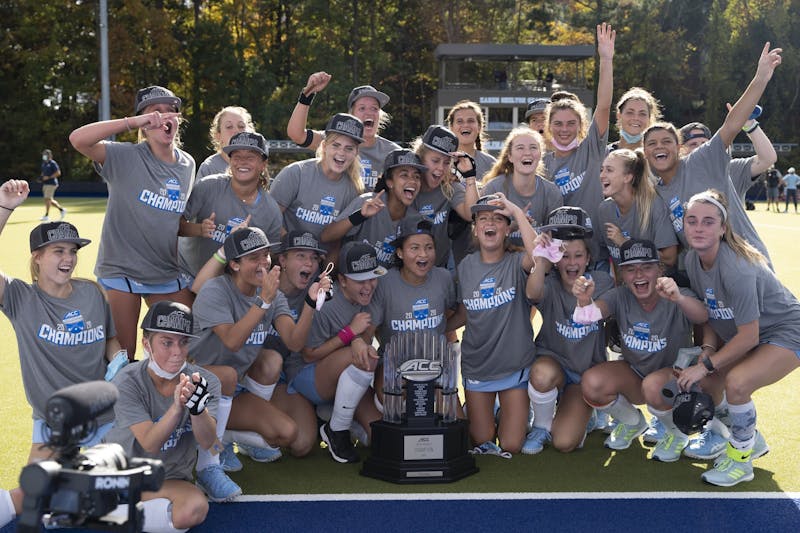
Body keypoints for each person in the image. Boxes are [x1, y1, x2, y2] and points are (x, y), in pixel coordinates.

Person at [0, 180, 125, 530]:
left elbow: (110, 340)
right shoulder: (20, 299)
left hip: (104, 418)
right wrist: (5, 208)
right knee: (30, 500)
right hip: (54, 423)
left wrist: (120, 363)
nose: (68, 259)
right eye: (58, 251)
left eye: (72, 251)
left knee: (119, 498)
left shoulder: (92, 292)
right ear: (37, 258)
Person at [189, 227, 329, 494]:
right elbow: (232, 341)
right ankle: (210, 463)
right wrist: (263, 302)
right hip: (194, 383)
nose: (263, 262)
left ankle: (225, 436)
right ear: (234, 264)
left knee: (289, 433)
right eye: (253, 257)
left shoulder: (272, 295)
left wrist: (311, 303)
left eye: (266, 255)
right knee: (227, 375)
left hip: (233, 388)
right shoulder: (215, 290)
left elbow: (294, 342)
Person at [676, 189, 800, 486]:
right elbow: (711, 312)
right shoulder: (693, 260)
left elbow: (748, 336)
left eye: (708, 222)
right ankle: (750, 439)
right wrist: (707, 351)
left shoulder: (737, 269)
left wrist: (705, 364)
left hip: (785, 330)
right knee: (705, 382)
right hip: (751, 333)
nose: (699, 228)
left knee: (737, 383)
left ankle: (741, 461)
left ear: (722, 228)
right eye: (692, 221)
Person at [69, 85, 195, 359]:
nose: (163, 118)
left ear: (179, 118)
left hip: (164, 271)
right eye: (153, 113)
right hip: (122, 270)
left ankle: (162, 394)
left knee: (187, 339)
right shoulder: (124, 156)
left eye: (169, 111)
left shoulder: (188, 164)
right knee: (122, 355)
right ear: (143, 123)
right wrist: (132, 122)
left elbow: (175, 221)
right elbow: (78, 139)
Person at [643, 43, 782, 264]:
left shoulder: (701, 160)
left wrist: (760, 78)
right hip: (707, 281)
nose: (659, 147)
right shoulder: (656, 193)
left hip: (748, 265)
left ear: (678, 148)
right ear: (645, 153)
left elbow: (731, 125)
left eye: (666, 141)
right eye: (652, 143)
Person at [578, 239, 708, 455]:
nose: (638, 275)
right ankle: (632, 422)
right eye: (630, 269)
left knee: (653, 386)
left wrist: (679, 299)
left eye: (646, 267)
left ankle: (677, 433)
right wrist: (583, 300)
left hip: (675, 377)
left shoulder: (675, 293)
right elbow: (588, 316)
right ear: (622, 274)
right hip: (635, 373)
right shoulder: (620, 295)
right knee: (592, 383)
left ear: (660, 269)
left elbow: (703, 315)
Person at [105, 301, 221, 532]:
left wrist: (198, 411)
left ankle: (109, 514)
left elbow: (210, 443)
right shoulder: (126, 382)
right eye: (167, 343)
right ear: (146, 344)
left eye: (183, 342)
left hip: (169, 478)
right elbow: (149, 443)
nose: (177, 352)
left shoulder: (207, 382)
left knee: (194, 508)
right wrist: (177, 407)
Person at [448, 193, 539, 455]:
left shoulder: (517, 261)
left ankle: (516, 410)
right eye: (483, 218)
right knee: (481, 439)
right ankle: (495, 411)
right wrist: (442, 328)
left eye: (498, 219)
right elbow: (465, 311)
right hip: (478, 367)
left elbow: (540, 255)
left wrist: (517, 212)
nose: (490, 223)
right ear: (475, 229)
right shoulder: (465, 266)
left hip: (514, 368)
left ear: (507, 229)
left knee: (511, 445)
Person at [522, 207, 615, 454]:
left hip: (584, 376)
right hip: (555, 365)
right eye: (564, 255)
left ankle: (584, 411)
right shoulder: (550, 283)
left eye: (578, 256)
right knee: (541, 374)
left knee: (564, 443)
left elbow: (609, 308)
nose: (572, 263)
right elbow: (532, 293)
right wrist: (541, 257)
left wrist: (586, 300)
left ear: (587, 258)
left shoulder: (601, 282)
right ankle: (541, 426)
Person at [291, 241, 386, 463]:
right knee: (367, 356)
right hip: (307, 375)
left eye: (372, 278)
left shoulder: (375, 295)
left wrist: (357, 340)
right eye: (359, 280)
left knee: (382, 440)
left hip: (349, 373)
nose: (368, 286)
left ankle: (338, 416)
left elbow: (366, 334)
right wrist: (349, 335)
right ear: (342, 280)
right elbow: (308, 354)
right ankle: (338, 430)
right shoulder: (327, 303)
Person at [543, 23, 616, 271]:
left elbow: (604, 106)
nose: (565, 129)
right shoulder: (542, 163)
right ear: (549, 126)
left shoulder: (591, 150)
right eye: (559, 124)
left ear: (581, 126)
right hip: (559, 258)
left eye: (571, 124)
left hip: (595, 255)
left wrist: (606, 59)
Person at [178, 131, 282, 281]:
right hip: (188, 274)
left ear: (263, 164)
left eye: (250, 157)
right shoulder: (208, 186)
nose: (242, 162)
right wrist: (200, 229)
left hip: (230, 288)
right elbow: (175, 226)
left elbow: (271, 256)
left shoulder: (271, 210)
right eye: (237, 156)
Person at [271, 113, 365, 258]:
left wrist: (328, 274)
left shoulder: (353, 189)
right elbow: (270, 218)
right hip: (285, 255)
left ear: (356, 152)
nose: (341, 153)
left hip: (320, 262)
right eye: (336, 145)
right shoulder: (296, 173)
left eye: (349, 148)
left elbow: (336, 243)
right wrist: (294, 250)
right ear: (324, 145)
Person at [287, 73, 400, 190]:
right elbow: (296, 134)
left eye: (374, 108)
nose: (369, 113)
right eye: (362, 108)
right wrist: (307, 95)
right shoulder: (336, 141)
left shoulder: (392, 152)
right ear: (351, 114)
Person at [321, 148, 427, 267]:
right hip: (357, 278)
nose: (412, 180)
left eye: (417, 176)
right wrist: (360, 215)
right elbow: (326, 236)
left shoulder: (416, 219)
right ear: (389, 182)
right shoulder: (368, 201)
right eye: (404, 175)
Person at [481, 126, 563, 249]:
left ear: (540, 155)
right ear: (510, 156)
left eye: (533, 148)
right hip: (502, 259)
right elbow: (484, 239)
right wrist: (513, 226)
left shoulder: (552, 193)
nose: (527, 153)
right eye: (520, 148)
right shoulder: (493, 189)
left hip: (537, 261)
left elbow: (555, 245)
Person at [597, 148, 678, 271]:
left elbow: (669, 258)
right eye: (601, 170)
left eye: (609, 170)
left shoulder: (653, 206)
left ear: (627, 177)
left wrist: (626, 244)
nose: (602, 175)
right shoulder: (604, 209)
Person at [679, 104, 777, 205]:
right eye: (693, 144)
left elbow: (767, 159)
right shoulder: (672, 180)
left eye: (704, 144)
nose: (699, 148)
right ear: (680, 150)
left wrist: (749, 124)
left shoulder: (730, 169)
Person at [412, 125, 479, 268]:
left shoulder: (448, 186)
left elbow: (471, 214)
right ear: (420, 158)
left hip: (438, 269)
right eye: (435, 161)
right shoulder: (408, 185)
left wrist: (469, 176)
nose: (441, 168)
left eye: (447, 162)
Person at [196, 106, 256, 179]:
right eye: (229, 127)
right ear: (218, 135)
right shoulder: (209, 168)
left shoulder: (256, 165)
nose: (236, 131)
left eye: (241, 126)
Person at [608, 87, 661, 152]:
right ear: (619, 115)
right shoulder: (605, 155)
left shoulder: (655, 157)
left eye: (642, 114)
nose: (636, 118)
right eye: (630, 112)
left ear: (649, 119)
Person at [38, 149, 66, 221]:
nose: (43, 156)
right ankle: (62, 210)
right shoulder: (43, 163)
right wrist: (41, 178)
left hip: (52, 183)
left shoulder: (53, 163)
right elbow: (43, 173)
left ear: (49, 155)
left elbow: (58, 173)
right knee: (49, 199)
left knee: (47, 199)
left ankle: (46, 215)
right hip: (45, 184)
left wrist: (49, 177)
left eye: (45, 154)